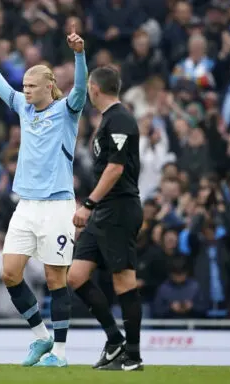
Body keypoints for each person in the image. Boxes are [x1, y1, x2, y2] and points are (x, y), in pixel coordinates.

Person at [0, 17, 87, 367]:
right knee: (9, 272)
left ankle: (61, 353)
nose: (24, 90)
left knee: (56, 278)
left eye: (30, 85)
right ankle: (40, 337)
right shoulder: (23, 109)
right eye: (23, 85)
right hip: (25, 204)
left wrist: (80, 57)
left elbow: (81, 91)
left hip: (57, 205)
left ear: (48, 87)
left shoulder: (66, 111)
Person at [68, 66, 144, 371]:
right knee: (75, 276)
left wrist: (88, 204)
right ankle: (115, 341)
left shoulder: (120, 119)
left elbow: (116, 168)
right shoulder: (108, 120)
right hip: (103, 211)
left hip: (119, 208)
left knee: (123, 279)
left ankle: (133, 355)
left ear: (94, 88)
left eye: (88, 87)